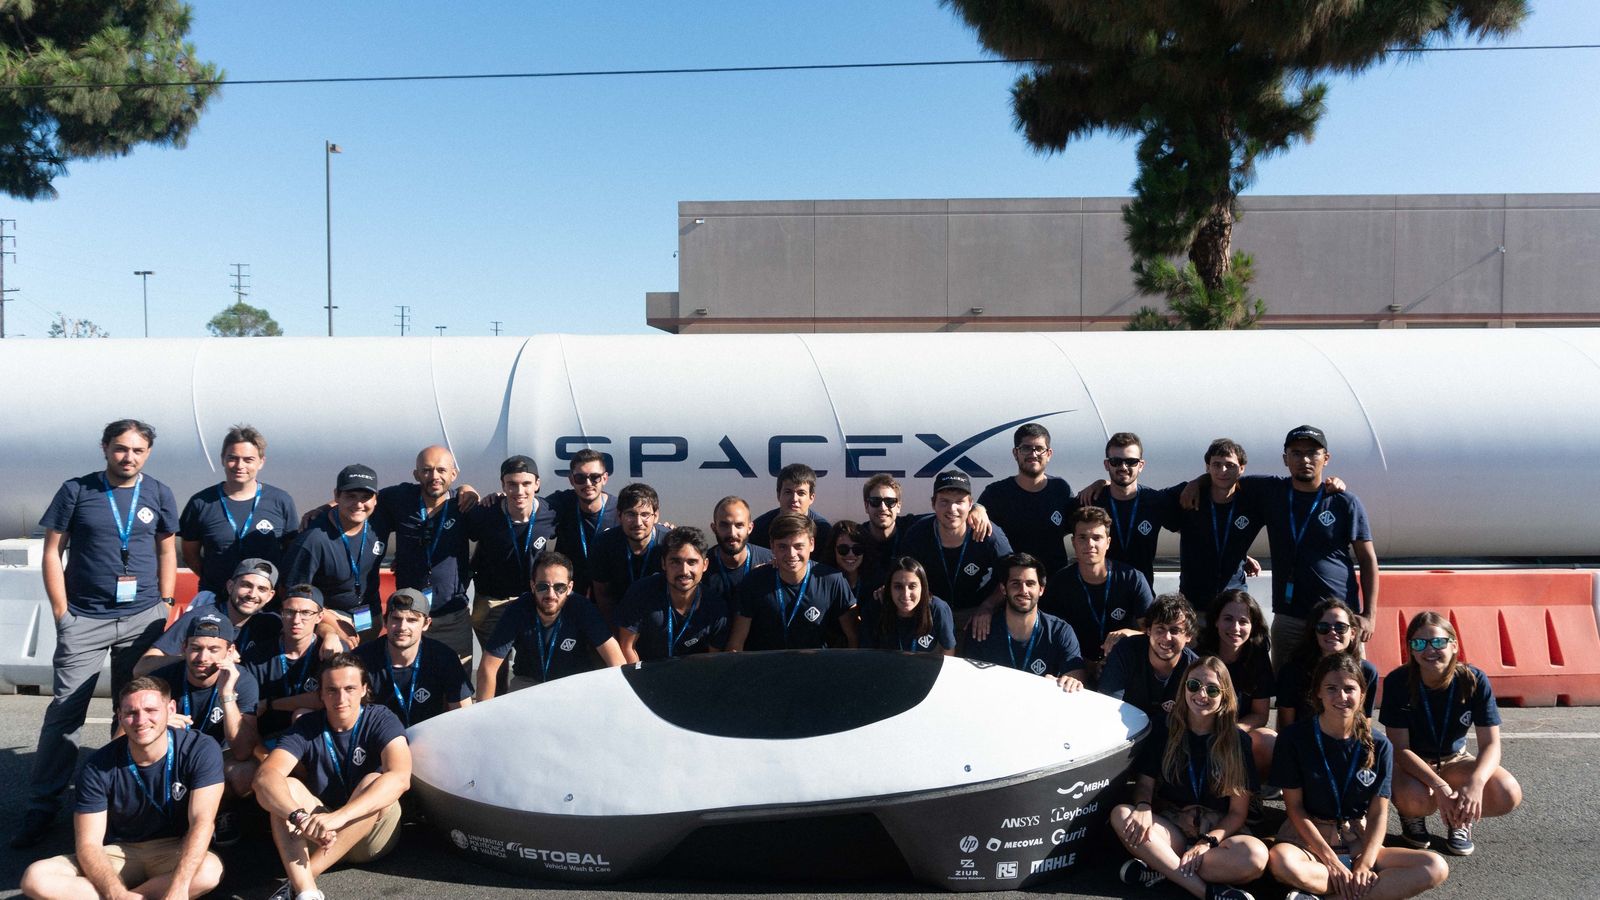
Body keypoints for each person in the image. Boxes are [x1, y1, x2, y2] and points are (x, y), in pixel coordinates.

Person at [17, 419, 182, 849]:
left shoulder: (159, 493)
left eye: (138, 450)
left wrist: (164, 603)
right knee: (65, 711)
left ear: (148, 454)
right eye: (121, 448)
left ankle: (121, 803)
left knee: (134, 709)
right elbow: (53, 551)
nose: (128, 457)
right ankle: (42, 805)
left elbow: (167, 548)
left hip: (142, 617)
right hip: (84, 618)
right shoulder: (76, 490)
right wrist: (61, 611)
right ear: (105, 448)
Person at [19, 677, 225, 900]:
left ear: (171, 708)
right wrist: (117, 895)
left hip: (174, 848)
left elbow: (202, 822)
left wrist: (179, 888)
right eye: (131, 712)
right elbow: (89, 844)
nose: (141, 720)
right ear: (120, 717)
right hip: (119, 852)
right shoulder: (97, 766)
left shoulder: (200, 748)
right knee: (36, 878)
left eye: (150, 710)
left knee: (210, 871)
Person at [1268, 652, 1449, 900]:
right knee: (1281, 862)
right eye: (1331, 688)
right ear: (1318, 693)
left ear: (1362, 694)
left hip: (1357, 837)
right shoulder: (1294, 739)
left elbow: (1377, 813)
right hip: (1309, 838)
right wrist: (1331, 860)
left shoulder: (1379, 744)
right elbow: (1295, 808)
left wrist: (1365, 863)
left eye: (1349, 689)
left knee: (1435, 866)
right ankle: (1359, 890)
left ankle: (1329, 893)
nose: (1341, 696)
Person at [255, 654, 412, 900]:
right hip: (319, 832)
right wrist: (298, 816)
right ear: (321, 694)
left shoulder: (381, 718)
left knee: (374, 781)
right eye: (332, 690)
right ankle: (307, 893)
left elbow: (401, 777)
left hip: (369, 835)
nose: (341, 698)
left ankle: (300, 880)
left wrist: (337, 819)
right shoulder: (308, 725)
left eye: (349, 689)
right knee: (283, 787)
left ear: (364, 689)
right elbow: (265, 777)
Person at [1109, 657, 1268, 899]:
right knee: (1122, 815)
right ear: (1184, 687)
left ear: (1224, 695)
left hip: (1217, 831)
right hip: (1174, 825)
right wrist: (1143, 806)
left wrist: (1206, 842)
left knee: (1255, 857)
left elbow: (1237, 813)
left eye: (1212, 689)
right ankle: (1206, 892)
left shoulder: (1238, 741)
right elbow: (1145, 784)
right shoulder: (1164, 727)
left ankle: (1163, 867)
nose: (1201, 694)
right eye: (1193, 685)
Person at [1381, 611, 1522, 857]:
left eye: (1438, 641)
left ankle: (1460, 819)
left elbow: (1490, 744)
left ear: (1454, 645)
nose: (1429, 649)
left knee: (1507, 793)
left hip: (1455, 758)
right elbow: (1400, 749)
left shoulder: (1473, 679)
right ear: (1411, 650)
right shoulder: (1398, 681)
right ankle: (1411, 815)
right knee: (1416, 798)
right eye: (1418, 643)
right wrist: (1440, 787)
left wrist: (1475, 784)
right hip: (1413, 762)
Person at [1253, 426, 1378, 669]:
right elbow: (1225, 478)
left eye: (1313, 453)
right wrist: (1198, 482)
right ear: (1285, 459)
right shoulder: (1271, 493)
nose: (1305, 460)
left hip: (1339, 618)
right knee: (1289, 695)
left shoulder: (1344, 501)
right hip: (1290, 618)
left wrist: (1369, 615)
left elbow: (1368, 559)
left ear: (1326, 458)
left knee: (1345, 690)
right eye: (1297, 453)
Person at [147, 613, 260, 841]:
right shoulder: (160, 680)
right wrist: (156, 724)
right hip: (172, 757)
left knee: (247, 772)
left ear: (229, 652)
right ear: (184, 647)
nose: (202, 657)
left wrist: (227, 695)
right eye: (196, 648)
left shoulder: (243, 681)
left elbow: (243, 750)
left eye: (213, 649)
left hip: (218, 760)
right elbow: (121, 737)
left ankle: (221, 811)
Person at [370, 446, 479, 666]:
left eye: (441, 470)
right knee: (408, 679)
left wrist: (473, 491)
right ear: (416, 474)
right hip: (408, 617)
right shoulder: (400, 498)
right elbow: (359, 501)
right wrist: (328, 506)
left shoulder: (463, 504)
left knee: (457, 684)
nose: (434, 477)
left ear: (453, 474)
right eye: (427, 470)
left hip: (452, 617)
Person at [477, 551, 625, 697]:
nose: (551, 595)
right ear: (532, 586)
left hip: (573, 683)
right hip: (529, 683)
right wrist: (482, 716)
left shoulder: (583, 609)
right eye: (543, 587)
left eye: (559, 587)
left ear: (570, 588)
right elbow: (487, 668)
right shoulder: (517, 610)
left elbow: (616, 661)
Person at [464, 455, 560, 671]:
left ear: (537, 484)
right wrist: (465, 488)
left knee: (534, 662)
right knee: (495, 668)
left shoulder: (551, 513)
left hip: (533, 601)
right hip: (491, 602)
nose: (519, 491)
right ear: (502, 485)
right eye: (512, 484)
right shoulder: (484, 513)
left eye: (526, 484)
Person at [178, 424, 298, 597]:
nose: (239, 465)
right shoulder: (200, 502)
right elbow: (190, 554)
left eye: (248, 460)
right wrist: (215, 577)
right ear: (222, 459)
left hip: (264, 602)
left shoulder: (280, 501)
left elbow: (290, 552)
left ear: (261, 462)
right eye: (233, 458)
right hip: (216, 596)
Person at [1044, 507, 1152, 679]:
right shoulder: (1060, 583)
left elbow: (1153, 632)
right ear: (1073, 542)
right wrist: (1085, 664)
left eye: (1097, 538)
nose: (1090, 544)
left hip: (1122, 665)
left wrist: (1129, 634)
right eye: (1083, 538)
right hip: (1075, 666)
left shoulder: (1132, 578)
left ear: (1108, 542)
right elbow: (1050, 635)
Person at [281, 464, 385, 642]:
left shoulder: (380, 521)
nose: (359, 504)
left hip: (369, 615)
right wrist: (330, 621)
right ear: (337, 495)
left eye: (365, 497)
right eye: (351, 496)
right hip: (330, 619)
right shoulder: (313, 539)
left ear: (375, 499)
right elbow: (291, 591)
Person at [727, 513, 859, 652]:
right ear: (772, 546)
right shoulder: (754, 581)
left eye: (798, 546)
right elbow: (736, 643)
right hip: (766, 669)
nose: (791, 554)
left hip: (815, 668)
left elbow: (854, 637)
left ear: (812, 544)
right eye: (783, 546)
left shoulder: (832, 580)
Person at [903, 470, 1012, 636]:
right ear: (933, 504)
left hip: (976, 613)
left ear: (970, 504)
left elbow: (1012, 575)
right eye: (944, 502)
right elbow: (900, 573)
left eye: (959, 502)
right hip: (931, 612)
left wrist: (988, 606)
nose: (952, 509)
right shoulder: (917, 534)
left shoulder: (989, 534)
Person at [137, 557, 284, 675]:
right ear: (230, 586)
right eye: (246, 585)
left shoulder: (271, 624)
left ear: (270, 596)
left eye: (262, 589)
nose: (252, 595)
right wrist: (192, 656)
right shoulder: (199, 617)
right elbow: (141, 668)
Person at [962, 553, 1086, 690]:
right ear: (1003, 589)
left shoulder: (1060, 631)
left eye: (1030, 584)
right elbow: (969, 682)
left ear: (1041, 589)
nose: (1023, 590)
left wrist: (1068, 683)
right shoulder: (981, 630)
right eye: (1016, 584)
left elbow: (1075, 680)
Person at [354, 589, 473, 727]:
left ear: (426, 624)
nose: (402, 627)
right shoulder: (360, 660)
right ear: (385, 621)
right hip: (378, 742)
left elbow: (464, 715)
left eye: (412, 620)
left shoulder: (444, 657)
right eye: (396, 619)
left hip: (429, 740)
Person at [1168, 439, 1263, 610]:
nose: (1222, 471)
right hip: (1194, 604)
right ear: (1207, 467)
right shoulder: (1188, 495)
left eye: (1230, 465)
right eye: (1216, 465)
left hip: (1234, 602)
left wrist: (1241, 555)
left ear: (1241, 468)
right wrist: (1104, 484)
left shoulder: (1252, 501)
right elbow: (1145, 498)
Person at [1078, 432, 1181, 588]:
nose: (1123, 467)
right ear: (1107, 465)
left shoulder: (1156, 501)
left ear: (1141, 465)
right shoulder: (1091, 501)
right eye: (1116, 461)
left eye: (1131, 462)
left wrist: (1200, 481)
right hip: (1098, 595)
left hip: (1140, 595)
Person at [614, 527, 731, 661]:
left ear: (705, 565)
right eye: (675, 562)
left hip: (692, 675)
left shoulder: (716, 607)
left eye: (692, 562)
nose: (684, 571)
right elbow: (627, 647)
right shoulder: (641, 593)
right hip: (646, 675)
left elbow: (713, 660)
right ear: (663, 563)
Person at [244, 584, 343, 742]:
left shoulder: (331, 653)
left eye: (305, 613)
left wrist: (271, 704)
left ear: (319, 616)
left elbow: (327, 699)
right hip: (266, 737)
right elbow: (248, 710)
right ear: (281, 613)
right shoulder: (256, 656)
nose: (296, 620)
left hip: (317, 739)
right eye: (289, 612)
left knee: (302, 715)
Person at [977, 422, 1076, 575]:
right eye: (1026, 448)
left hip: (1053, 585)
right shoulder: (996, 493)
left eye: (1039, 449)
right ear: (1015, 453)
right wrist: (977, 508)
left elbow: (1085, 522)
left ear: (1049, 454)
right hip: (1014, 587)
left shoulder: (1061, 489)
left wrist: (1103, 483)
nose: (1033, 454)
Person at [1197, 589, 1277, 774]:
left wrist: (1232, 731)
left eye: (1243, 621)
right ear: (1216, 621)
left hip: (1236, 732)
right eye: (1228, 619)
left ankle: (1254, 786)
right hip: (1200, 730)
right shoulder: (1198, 655)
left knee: (1269, 741)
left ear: (1253, 626)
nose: (1235, 627)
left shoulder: (1258, 658)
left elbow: (1260, 715)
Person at [1275, 598, 1378, 729]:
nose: (1332, 632)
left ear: (1352, 633)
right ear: (1315, 633)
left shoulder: (1367, 672)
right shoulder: (1292, 672)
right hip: (1303, 743)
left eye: (1340, 627)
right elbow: (1286, 728)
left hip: (1348, 743)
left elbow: (1364, 726)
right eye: (1323, 627)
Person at [1099, 592, 1202, 718]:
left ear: (1189, 636)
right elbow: (1108, 708)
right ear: (1148, 631)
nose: (1166, 637)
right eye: (1160, 628)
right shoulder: (1125, 652)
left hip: (1175, 735)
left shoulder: (1196, 669)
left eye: (1175, 630)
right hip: (1129, 732)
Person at [588, 482, 671, 621]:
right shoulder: (603, 544)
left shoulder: (669, 543)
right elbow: (603, 596)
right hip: (617, 615)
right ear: (619, 516)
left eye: (645, 514)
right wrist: (615, 635)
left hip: (658, 619)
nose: (638, 522)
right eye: (631, 514)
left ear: (656, 516)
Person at [546, 448, 619, 596]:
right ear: (572, 480)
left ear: (605, 478)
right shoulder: (561, 503)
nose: (588, 483)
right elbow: (529, 508)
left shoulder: (620, 510)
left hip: (608, 594)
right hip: (568, 595)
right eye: (580, 478)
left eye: (595, 477)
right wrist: (501, 498)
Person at [856, 557, 956, 655]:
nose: (905, 594)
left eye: (912, 586)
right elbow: (867, 654)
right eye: (898, 587)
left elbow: (948, 649)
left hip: (926, 668)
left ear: (923, 587)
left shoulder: (937, 609)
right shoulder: (875, 608)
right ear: (889, 589)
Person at [749, 462, 831, 549]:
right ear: (778, 495)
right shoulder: (760, 528)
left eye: (801, 493)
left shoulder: (824, 531)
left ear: (811, 498)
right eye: (788, 492)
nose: (794, 499)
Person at [705, 496, 773, 598]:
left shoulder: (771, 562)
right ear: (714, 528)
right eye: (724, 525)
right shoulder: (701, 567)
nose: (732, 533)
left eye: (739, 525)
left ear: (750, 528)